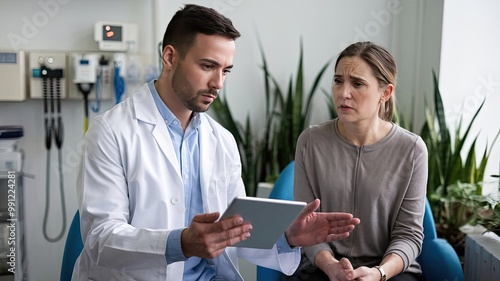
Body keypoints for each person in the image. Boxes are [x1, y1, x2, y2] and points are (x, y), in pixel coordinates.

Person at [73, 4, 360, 281]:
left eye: (225, 70)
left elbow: (235, 232)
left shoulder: (221, 140)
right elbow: (101, 239)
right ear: (170, 57)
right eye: (208, 66)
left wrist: (286, 237)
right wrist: (182, 243)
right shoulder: (111, 132)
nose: (218, 83)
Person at [293, 41, 428, 281]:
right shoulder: (310, 142)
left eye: (357, 83)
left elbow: (409, 235)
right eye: (338, 81)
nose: (343, 93)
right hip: (322, 267)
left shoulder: (412, 149)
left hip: (388, 271)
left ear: (384, 93)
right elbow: (305, 227)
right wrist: (332, 267)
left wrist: (379, 273)